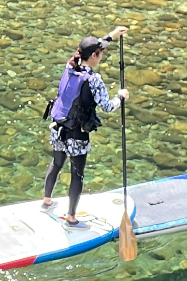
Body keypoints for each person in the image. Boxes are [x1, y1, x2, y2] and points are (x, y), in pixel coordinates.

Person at [42, 27, 129, 227]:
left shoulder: (70, 65)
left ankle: (47, 201)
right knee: (77, 174)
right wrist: (120, 97)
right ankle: (71, 217)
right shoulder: (94, 80)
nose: (102, 57)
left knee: (56, 164)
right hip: (77, 135)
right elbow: (107, 107)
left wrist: (112, 36)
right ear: (94, 56)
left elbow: (88, 48)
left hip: (58, 128)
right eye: (101, 54)